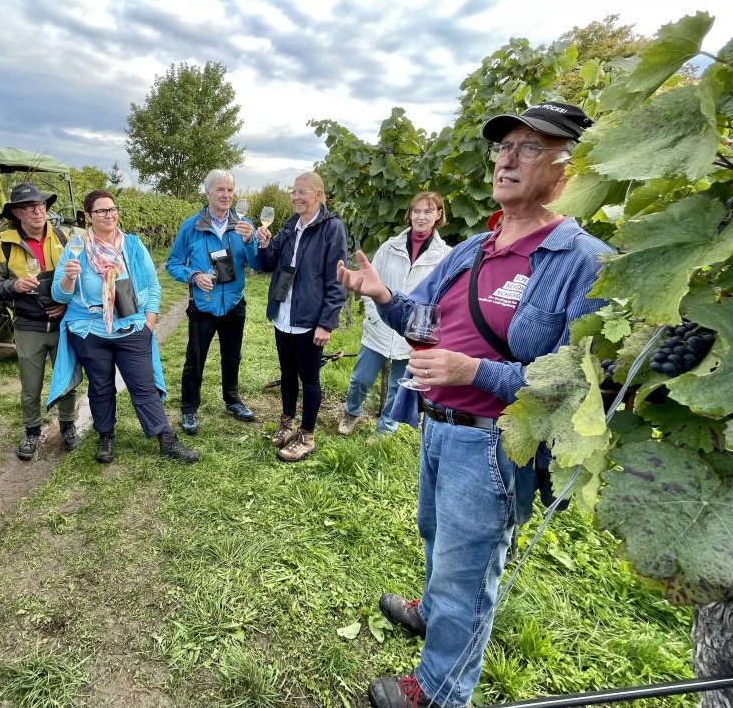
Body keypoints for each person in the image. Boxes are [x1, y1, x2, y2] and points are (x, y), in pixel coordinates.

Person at [337, 102, 613, 708]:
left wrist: (473, 371)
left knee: (469, 572)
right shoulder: (473, 250)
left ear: (569, 169)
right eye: (504, 147)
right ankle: (432, 611)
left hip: (492, 441)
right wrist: (383, 294)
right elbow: (421, 319)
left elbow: (585, 382)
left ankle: (437, 691)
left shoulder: (583, 262)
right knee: (438, 537)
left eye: (530, 148)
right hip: (439, 429)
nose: (508, 159)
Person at [46, 189, 199, 465]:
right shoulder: (75, 248)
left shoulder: (132, 245)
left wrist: (149, 321)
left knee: (143, 384)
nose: (109, 215)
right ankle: (106, 436)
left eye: (112, 209)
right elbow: (60, 295)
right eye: (101, 211)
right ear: (89, 216)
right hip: (89, 329)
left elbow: (153, 285)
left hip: (130, 326)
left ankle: (166, 439)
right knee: (101, 385)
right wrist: (68, 279)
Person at [338, 192, 451, 437]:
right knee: (361, 378)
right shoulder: (389, 248)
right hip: (379, 328)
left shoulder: (445, 256)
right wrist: (375, 316)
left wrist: (427, 330)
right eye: (416, 211)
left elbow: (443, 298)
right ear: (409, 215)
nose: (421, 217)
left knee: (399, 386)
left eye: (428, 211)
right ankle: (351, 412)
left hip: (413, 336)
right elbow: (370, 283)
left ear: (438, 215)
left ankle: (386, 427)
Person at [255, 172, 347, 462]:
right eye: (292, 192)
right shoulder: (290, 225)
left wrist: (326, 322)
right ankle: (287, 424)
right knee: (287, 374)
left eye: (301, 192)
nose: (295, 197)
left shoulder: (332, 228)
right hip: (284, 313)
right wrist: (263, 243)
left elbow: (337, 280)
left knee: (309, 378)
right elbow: (268, 263)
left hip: (309, 319)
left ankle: (306, 436)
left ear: (319, 195)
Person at [0, 182, 79, 461]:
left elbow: (81, 281)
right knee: (31, 385)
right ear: (17, 213)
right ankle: (31, 431)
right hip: (29, 326)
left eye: (40, 205)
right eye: (29, 206)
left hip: (63, 325)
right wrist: (13, 286)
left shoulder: (65, 239)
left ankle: (67, 426)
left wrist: (65, 304)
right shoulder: (3, 246)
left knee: (67, 379)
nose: (37, 210)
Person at [167, 169, 261, 435]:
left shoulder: (244, 225)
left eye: (230, 190)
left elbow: (256, 263)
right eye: (220, 190)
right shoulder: (191, 226)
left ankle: (232, 401)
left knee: (232, 356)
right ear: (208, 192)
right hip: (204, 305)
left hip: (233, 303)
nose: (226, 195)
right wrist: (194, 275)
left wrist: (250, 240)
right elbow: (173, 264)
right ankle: (188, 408)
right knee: (195, 358)